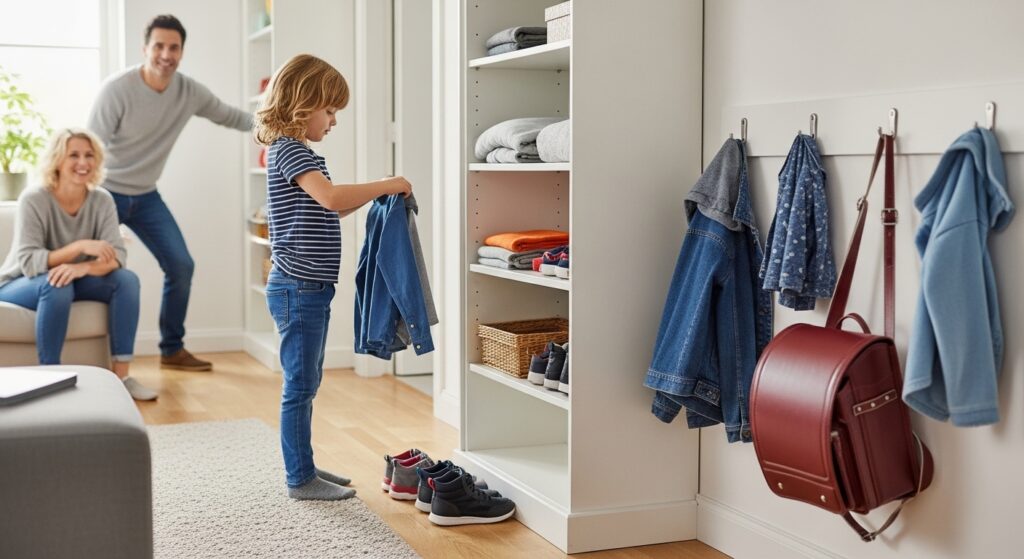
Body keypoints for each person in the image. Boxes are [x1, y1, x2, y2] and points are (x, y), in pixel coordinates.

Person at [254, 54, 412, 500]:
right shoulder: (288, 150)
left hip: (310, 289)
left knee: (307, 382)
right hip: (298, 288)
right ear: (304, 104)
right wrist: (385, 185)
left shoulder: (304, 155)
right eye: (331, 110)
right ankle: (300, 479)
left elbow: (335, 205)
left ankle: (303, 465)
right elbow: (329, 198)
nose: (334, 120)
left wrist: (376, 192)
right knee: (300, 385)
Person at [87, 14, 252, 372]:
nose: (166, 54)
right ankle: (109, 361)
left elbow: (229, 116)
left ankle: (171, 348)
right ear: (145, 48)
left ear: (181, 51)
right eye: (158, 46)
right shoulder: (117, 90)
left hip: (146, 196)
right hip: (105, 195)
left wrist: (278, 123)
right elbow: (90, 150)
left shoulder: (189, 92)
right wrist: (93, 212)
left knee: (181, 265)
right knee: (107, 271)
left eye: (173, 47)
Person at [0, 129, 156, 401]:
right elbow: (29, 261)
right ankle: (50, 378)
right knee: (57, 284)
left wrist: (81, 268)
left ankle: (122, 377)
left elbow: (117, 256)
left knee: (126, 280)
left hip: (75, 278)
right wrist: (81, 247)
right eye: (74, 155)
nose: (83, 162)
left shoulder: (101, 199)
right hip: (19, 282)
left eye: (89, 155)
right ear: (57, 160)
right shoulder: (34, 198)